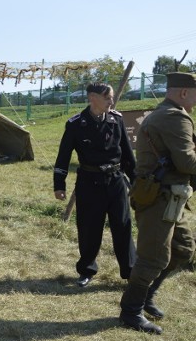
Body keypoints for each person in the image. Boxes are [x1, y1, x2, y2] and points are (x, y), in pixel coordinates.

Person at [119, 72, 196, 334]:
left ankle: (147, 294)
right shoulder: (175, 117)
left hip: (172, 195)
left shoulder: (167, 113)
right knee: (153, 258)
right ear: (184, 93)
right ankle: (131, 311)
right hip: (158, 197)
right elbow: (187, 162)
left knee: (183, 248)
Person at [53, 82, 137, 287]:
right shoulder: (75, 124)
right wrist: (59, 184)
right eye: (108, 97)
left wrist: (135, 182)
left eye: (112, 97)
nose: (112, 100)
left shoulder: (116, 120)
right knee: (89, 228)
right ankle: (87, 270)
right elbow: (63, 156)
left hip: (116, 180)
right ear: (93, 98)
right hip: (89, 183)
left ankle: (130, 272)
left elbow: (127, 154)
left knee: (123, 226)